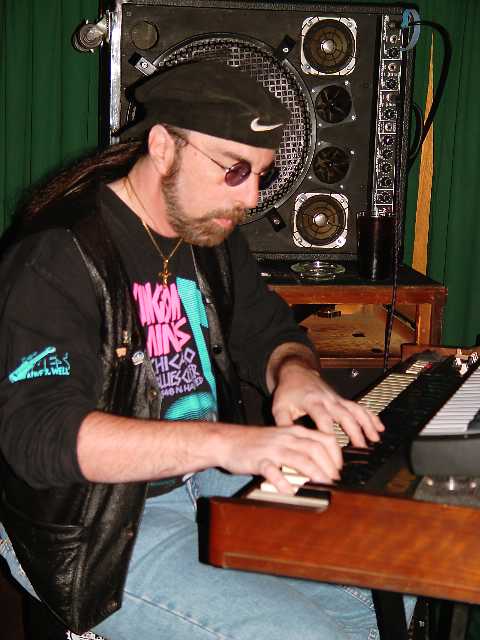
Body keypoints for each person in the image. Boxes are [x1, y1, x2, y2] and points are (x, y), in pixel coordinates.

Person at [0, 59, 388, 639]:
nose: (250, 197)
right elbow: (40, 438)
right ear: (163, 147)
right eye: (235, 170)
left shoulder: (207, 233)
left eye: (261, 174)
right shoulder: (57, 256)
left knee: (388, 584)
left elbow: (268, 331)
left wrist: (294, 373)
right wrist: (230, 443)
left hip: (199, 482)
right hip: (92, 522)